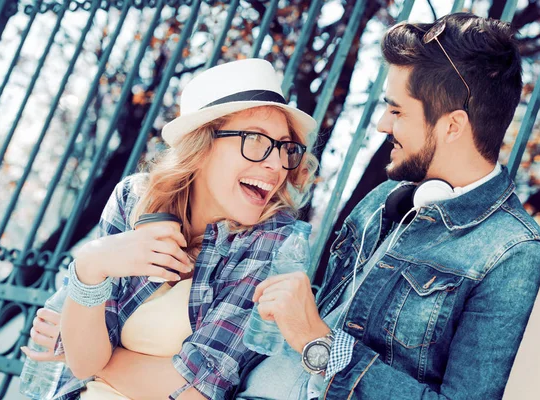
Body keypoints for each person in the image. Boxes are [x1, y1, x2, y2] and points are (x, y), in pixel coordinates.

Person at [237, 13, 540, 400]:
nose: (383, 124)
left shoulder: (513, 254)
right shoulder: (381, 202)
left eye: (398, 110)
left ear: (452, 126)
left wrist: (319, 344)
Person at [21, 58, 318, 400]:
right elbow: (84, 359)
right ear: (202, 145)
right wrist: (91, 263)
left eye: (285, 147)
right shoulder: (135, 200)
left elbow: (195, 392)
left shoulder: (275, 239)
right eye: (256, 141)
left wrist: (83, 345)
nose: (277, 163)